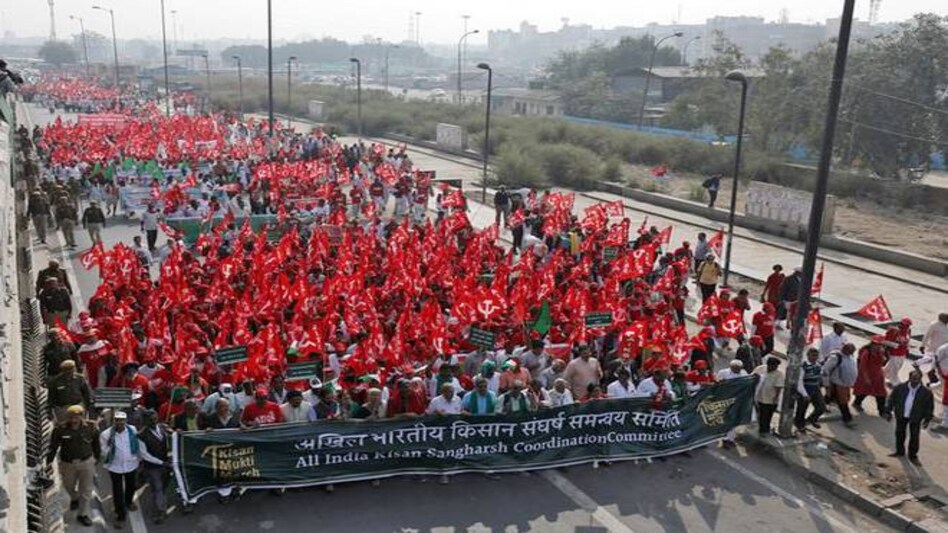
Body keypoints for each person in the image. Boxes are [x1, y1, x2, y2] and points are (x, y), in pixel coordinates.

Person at [100, 411, 166, 528]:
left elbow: (137, 446)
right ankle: (120, 516)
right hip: (115, 467)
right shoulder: (106, 434)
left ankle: (129, 502)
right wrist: (110, 447)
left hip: (131, 465)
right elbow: (103, 452)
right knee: (118, 491)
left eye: (122, 420)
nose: (120, 423)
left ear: (125, 421)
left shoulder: (132, 430)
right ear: (114, 421)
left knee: (131, 486)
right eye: (117, 420)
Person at [47, 405, 100, 527]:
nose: (74, 419)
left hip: (86, 462)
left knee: (86, 489)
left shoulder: (91, 427)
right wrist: (49, 462)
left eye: (77, 416)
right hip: (67, 463)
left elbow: (96, 444)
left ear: (82, 416)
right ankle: (74, 497)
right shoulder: (61, 429)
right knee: (68, 485)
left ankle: (83, 514)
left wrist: (97, 458)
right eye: (72, 416)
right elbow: (53, 447)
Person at [886, 370, 934, 466]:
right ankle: (900, 451)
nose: (915, 381)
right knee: (899, 433)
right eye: (913, 378)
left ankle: (913, 456)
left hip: (916, 417)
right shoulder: (900, 387)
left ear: (921, 379)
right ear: (909, 378)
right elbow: (891, 399)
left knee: (914, 436)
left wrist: (927, 419)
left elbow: (929, 407)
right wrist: (888, 411)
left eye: (917, 379)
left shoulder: (926, 392)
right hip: (901, 415)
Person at [137, 410, 171, 524]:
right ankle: (160, 511)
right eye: (151, 420)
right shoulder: (140, 436)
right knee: (157, 488)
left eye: (155, 418)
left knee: (164, 487)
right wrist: (161, 462)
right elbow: (145, 455)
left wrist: (173, 432)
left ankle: (161, 503)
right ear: (145, 421)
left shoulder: (163, 428)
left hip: (166, 464)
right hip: (152, 467)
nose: (154, 421)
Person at [824, 343, 859, 428]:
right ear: (845, 349)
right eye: (850, 351)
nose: (851, 353)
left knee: (830, 397)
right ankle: (847, 419)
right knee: (843, 402)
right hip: (838, 383)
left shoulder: (849, 357)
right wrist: (827, 385)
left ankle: (820, 407)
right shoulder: (835, 358)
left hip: (846, 384)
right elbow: (825, 371)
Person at [853, 337, 889, 417]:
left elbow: (882, 364)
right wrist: (866, 378)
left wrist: (884, 356)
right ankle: (857, 403)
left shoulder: (881, 352)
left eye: (879, 344)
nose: (878, 346)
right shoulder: (866, 353)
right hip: (867, 375)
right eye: (876, 344)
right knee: (863, 392)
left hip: (878, 376)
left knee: (881, 393)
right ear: (872, 344)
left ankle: (881, 411)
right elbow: (862, 366)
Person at [716, 360, 748, 447]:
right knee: (725, 419)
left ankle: (730, 438)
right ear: (731, 367)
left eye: (739, 368)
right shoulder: (723, 373)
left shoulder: (744, 374)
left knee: (734, 419)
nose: (737, 370)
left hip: (737, 400)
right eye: (735, 368)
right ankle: (723, 439)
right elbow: (717, 384)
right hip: (725, 399)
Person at [795, 348, 826, 431]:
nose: (814, 357)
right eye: (812, 355)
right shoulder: (803, 365)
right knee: (802, 410)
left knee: (821, 407)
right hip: (805, 388)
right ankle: (799, 424)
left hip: (815, 388)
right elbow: (799, 381)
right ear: (808, 355)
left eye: (816, 356)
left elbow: (819, 376)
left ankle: (811, 419)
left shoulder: (818, 365)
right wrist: (804, 394)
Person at [755, 357, 784, 436]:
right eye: (773, 365)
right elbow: (753, 376)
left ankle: (765, 429)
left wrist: (775, 398)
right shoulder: (760, 369)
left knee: (768, 415)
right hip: (759, 397)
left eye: (776, 366)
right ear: (768, 364)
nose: (774, 368)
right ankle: (763, 430)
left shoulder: (779, 374)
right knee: (762, 415)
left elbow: (779, 387)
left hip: (771, 399)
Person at [884, 319, 912, 386]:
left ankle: (882, 375)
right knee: (894, 367)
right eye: (905, 325)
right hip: (894, 352)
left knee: (897, 366)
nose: (906, 327)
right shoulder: (893, 331)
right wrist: (896, 345)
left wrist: (907, 348)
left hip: (903, 353)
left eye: (908, 325)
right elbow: (885, 341)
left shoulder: (908, 331)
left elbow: (908, 340)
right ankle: (894, 380)